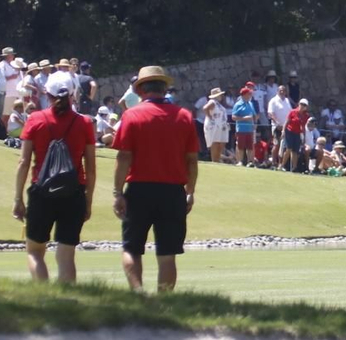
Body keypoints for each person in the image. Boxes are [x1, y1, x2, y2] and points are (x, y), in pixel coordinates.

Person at [112, 66, 200, 293]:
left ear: (140, 89)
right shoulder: (184, 116)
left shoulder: (131, 116)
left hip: (139, 190)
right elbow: (192, 160)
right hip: (172, 192)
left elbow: (123, 157)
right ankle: (164, 303)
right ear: (165, 88)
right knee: (167, 255)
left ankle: (139, 294)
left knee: (132, 249)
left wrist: (117, 192)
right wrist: (190, 191)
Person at [12, 72, 96, 284]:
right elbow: (91, 168)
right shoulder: (84, 123)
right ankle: (67, 304)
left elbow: (23, 162)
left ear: (47, 95)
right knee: (67, 255)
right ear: (72, 95)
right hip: (74, 192)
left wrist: (18, 198)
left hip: (42, 193)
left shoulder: (35, 119)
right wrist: (88, 201)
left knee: (35, 251)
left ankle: (44, 296)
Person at [201, 88, 228, 163]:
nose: (221, 96)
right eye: (220, 95)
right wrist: (210, 117)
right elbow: (205, 108)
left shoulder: (218, 104)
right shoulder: (212, 102)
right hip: (213, 125)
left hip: (219, 125)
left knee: (219, 143)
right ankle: (214, 160)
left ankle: (217, 159)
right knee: (215, 143)